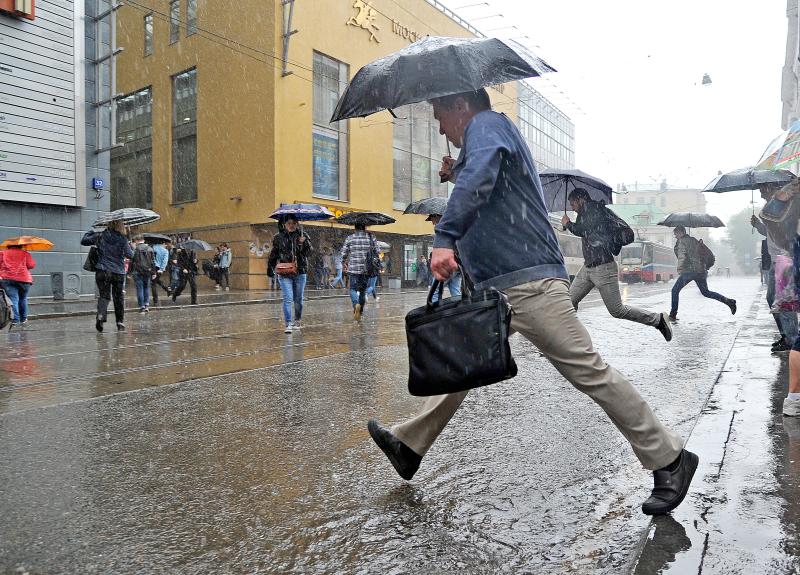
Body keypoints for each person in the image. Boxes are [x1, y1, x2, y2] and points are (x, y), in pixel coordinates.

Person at [366, 88, 697, 516]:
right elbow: (487, 184)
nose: (438, 124)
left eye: (438, 113)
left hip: (530, 283)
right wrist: (459, 170)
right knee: (463, 363)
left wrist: (445, 235)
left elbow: (482, 178)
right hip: (500, 286)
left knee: (590, 373)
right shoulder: (483, 139)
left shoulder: (488, 126)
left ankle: (670, 459)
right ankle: (410, 444)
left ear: (460, 106)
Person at [562, 188, 672, 341]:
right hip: (588, 267)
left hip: (603, 268)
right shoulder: (585, 213)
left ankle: (658, 320)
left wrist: (568, 224)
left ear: (581, 199)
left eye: (573, 203)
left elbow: (583, 230)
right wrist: (571, 224)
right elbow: (586, 231)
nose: (572, 207)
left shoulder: (593, 210)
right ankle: (563, 338)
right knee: (569, 301)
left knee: (617, 310)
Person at [753, 200, 798, 352]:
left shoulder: (781, 205)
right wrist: (758, 225)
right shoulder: (771, 206)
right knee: (772, 298)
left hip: (784, 258)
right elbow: (769, 232)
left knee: (785, 300)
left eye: (763, 188)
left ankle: (791, 339)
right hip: (775, 260)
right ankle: (786, 335)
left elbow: (783, 232)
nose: (760, 192)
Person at [669, 226, 735, 322]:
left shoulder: (682, 242)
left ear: (681, 232)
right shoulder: (694, 240)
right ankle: (729, 302)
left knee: (675, 291)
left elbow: (681, 256)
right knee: (706, 292)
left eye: (676, 234)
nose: (675, 236)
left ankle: (672, 315)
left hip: (689, 271)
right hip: (701, 271)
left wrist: (679, 268)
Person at [81, 220, 134, 332]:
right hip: (118, 272)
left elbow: (84, 241)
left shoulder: (100, 235)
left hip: (102, 270)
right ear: (120, 226)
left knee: (104, 296)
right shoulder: (122, 239)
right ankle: (119, 322)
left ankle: (100, 316)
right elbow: (130, 255)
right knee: (118, 297)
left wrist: (90, 232)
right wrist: (129, 244)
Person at [267, 215, 312, 333]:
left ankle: (297, 320)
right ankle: (288, 323)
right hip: (284, 271)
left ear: (297, 224)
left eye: (293, 223)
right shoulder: (278, 237)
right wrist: (270, 267)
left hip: (300, 271)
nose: (291, 225)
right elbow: (274, 254)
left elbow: (309, 253)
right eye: (289, 223)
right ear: (284, 224)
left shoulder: (303, 235)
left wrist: (304, 243)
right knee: (288, 298)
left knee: (298, 299)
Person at [340, 223, 379, 321]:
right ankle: (360, 311)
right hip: (366, 269)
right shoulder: (371, 237)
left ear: (355, 227)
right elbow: (377, 251)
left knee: (352, 289)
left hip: (353, 268)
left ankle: (355, 304)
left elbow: (344, 252)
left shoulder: (350, 237)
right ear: (364, 227)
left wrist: (343, 262)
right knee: (362, 291)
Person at [427, 213, 462, 303]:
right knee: (456, 292)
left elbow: (442, 248)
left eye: (432, 220)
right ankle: (459, 311)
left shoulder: (443, 229)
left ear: (436, 216)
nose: (432, 223)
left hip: (446, 264)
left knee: (435, 292)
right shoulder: (453, 227)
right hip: (458, 265)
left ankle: (434, 313)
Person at [0, 244, 35, 328]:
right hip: (24, 279)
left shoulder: (2, 253)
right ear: (20, 245)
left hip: (7, 279)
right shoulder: (25, 253)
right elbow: (31, 265)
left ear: (8, 246)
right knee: (23, 298)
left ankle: (15, 320)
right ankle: (23, 319)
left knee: (13, 299)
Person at [131, 235, 155, 313]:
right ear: (143, 240)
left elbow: (132, 261)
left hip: (137, 271)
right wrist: (154, 272)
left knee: (139, 289)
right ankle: (147, 305)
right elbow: (153, 262)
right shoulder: (150, 249)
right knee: (146, 288)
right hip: (147, 271)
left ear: (137, 241)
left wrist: (129, 272)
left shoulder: (135, 249)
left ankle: (142, 306)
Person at [151, 240, 171, 305]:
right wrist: (162, 269)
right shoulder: (165, 251)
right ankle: (166, 289)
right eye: (165, 244)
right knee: (155, 282)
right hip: (159, 268)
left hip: (152, 267)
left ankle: (156, 301)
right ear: (163, 243)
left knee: (154, 283)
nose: (165, 246)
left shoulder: (153, 247)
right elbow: (165, 261)